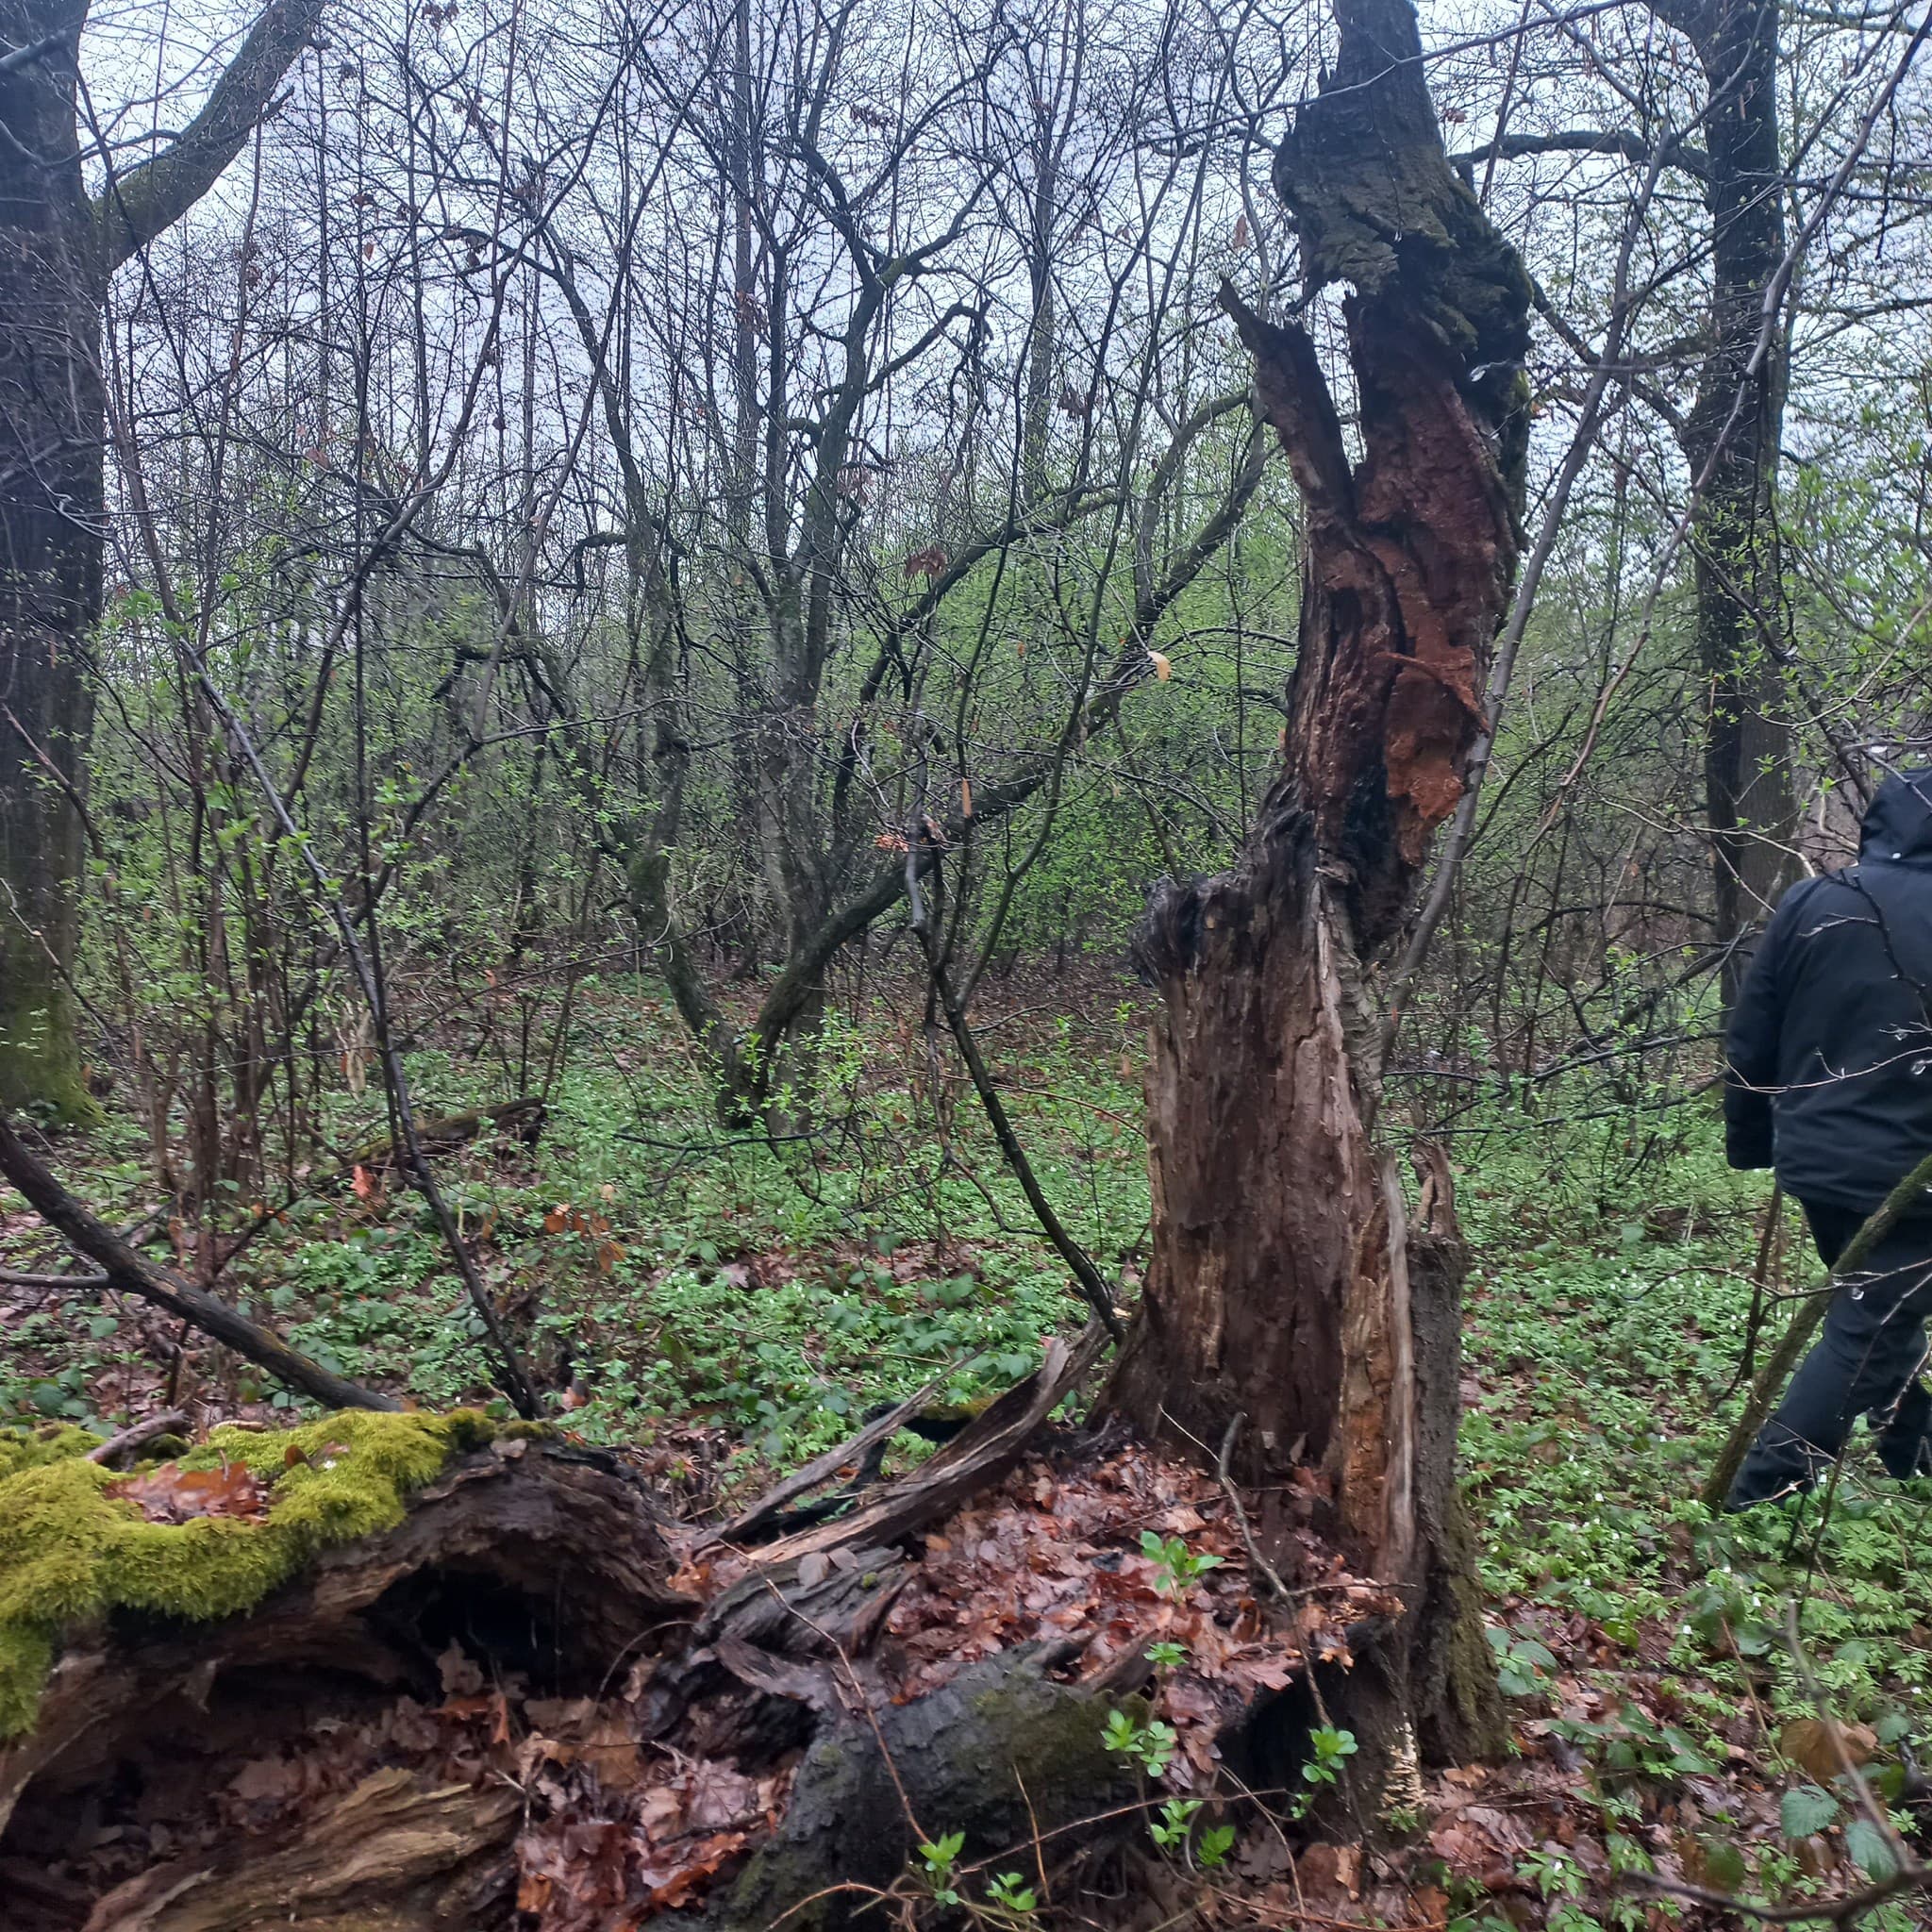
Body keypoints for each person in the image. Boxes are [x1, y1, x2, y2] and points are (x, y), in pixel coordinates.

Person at [1724, 766, 1932, 1507]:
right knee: (1866, 1331)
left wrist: (1753, 1141)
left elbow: (1753, 1035)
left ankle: (1916, 1445)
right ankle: (1756, 1499)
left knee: (1876, 1311)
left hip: (1818, 1163)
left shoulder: (1815, 901)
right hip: (1911, 1177)